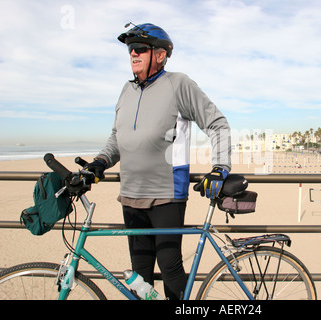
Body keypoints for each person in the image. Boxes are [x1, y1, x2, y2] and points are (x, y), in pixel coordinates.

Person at [85, 23, 231, 300]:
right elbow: (117, 137)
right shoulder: (126, 91)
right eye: (130, 50)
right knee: (139, 272)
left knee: (170, 267)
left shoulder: (179, 84)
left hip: (167, 194)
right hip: (130, 195)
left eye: (140, 48)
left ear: (160, 55)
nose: (133, 54)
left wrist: (220, 167)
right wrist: (99, 163)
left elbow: (217, 124)